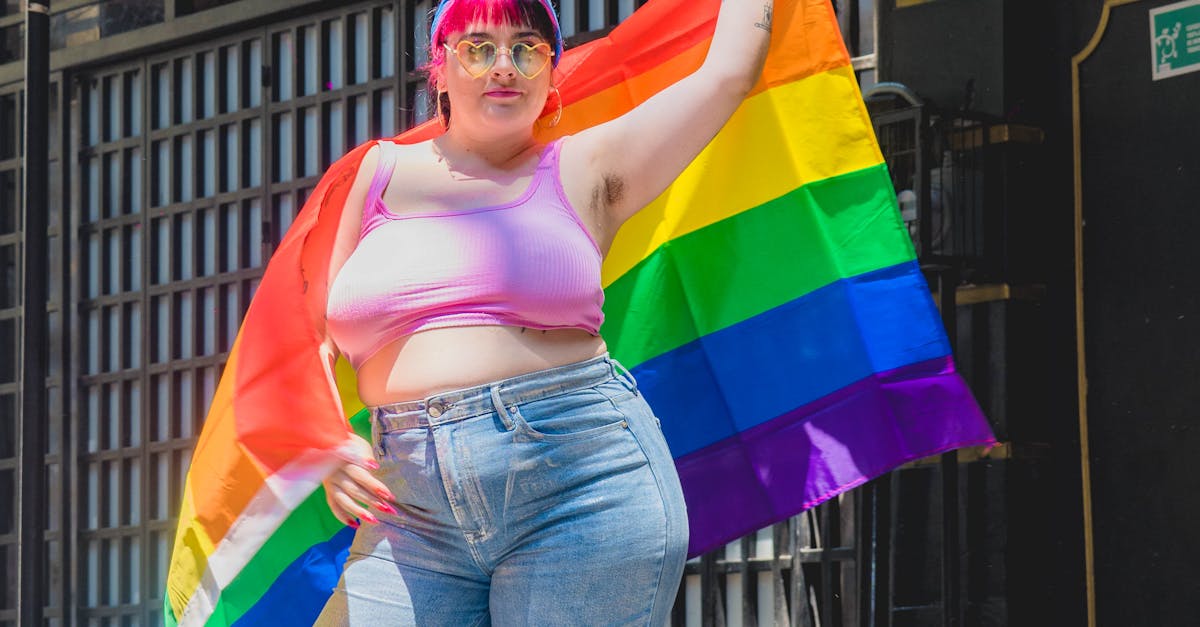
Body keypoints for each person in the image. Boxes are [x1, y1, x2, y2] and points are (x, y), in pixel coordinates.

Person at [314, 0, 772, 623]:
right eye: (478, 48)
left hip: (581, 481)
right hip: (411, 510)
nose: (504, 65)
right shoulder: (375, 174)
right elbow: (308, 331)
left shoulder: (588, 167)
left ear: (551, 71)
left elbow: (727, 73)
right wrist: (323, 439)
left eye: (526, 49)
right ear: (439, 71)